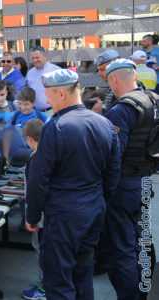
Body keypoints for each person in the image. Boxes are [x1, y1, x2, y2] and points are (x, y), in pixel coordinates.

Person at [25, 69, 120, 299]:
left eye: (48, 94)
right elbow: (113, 172)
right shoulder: (104, 124)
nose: (46, 100)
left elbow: (39, 178)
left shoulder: (55, 127)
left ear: (60, 94)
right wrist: (99, 201)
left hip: (64, 216)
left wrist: (32, 216)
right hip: (92, 210)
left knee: (58, 279)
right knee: (83, 272)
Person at [102, 58, 157, 300]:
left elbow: (113, 156)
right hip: (145, 181)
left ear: (114, 79)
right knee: (141, 239)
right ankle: (145, 290)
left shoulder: (122, 109)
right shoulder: (153, 100)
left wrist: (106, 190)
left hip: (123, 185)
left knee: (121, 249)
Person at [20, 118, 46, 300]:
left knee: (42, 252)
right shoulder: (52, 154)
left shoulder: (34, 159)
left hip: (41, 217)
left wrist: (31, 217)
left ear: (29, 139)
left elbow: (33, 192)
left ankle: (44, 288)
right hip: (53, 215)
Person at [3, 86, 47, 167]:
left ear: (33, 102)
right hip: (16, 157)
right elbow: (7, 138)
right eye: (20, 104)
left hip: (35, 157)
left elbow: (46, 138)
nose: (23, 107)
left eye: (26, 104)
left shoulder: (41, 116)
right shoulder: (13, 117)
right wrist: (6, 158)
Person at [25, 46, 61, 113]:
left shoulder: (55, 70)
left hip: (51, 111)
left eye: (37, 58)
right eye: (33, 58)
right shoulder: (30, 73)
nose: (35, 60)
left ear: (45, 55)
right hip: (34, 112)